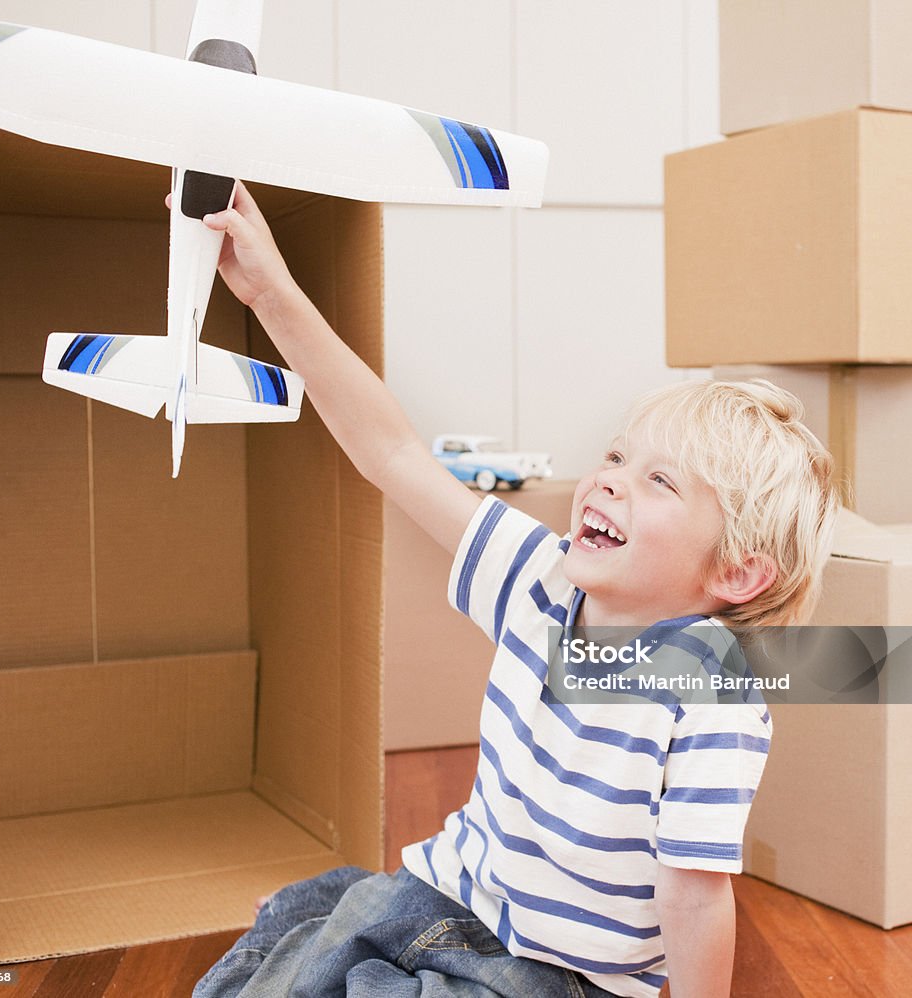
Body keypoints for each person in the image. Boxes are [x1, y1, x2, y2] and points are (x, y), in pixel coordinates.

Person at [190, 182, 840, 998]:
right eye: (614, 456)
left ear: (735, 572)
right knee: (322, 924)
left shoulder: (710, 700)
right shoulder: (542, 578)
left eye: (659, 480)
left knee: (332, 956)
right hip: (448, 892)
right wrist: (270, 291)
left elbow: (695, 893)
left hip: (556, 974)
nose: (608, 483)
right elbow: (390, 452)